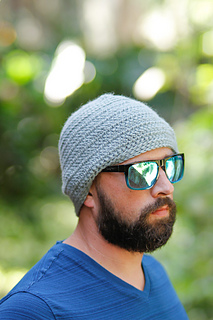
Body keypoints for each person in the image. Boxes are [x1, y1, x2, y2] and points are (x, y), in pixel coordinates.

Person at [0, 93, 189, 319]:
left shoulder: (153, 273)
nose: (166, 186)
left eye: (169, 165)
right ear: (89, 189)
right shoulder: (33, 310)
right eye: (142, 171)